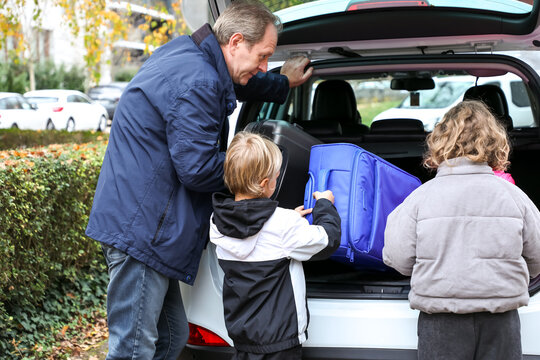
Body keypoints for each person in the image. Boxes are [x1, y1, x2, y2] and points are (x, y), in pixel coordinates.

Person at [85, 1, 313, 358]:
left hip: (146, 222)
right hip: (144, 230)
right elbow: (197, 167)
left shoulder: (192, 57)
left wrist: (281, 82)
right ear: (236, 42)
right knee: (133, 349)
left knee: (172, 337)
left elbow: (232, 82)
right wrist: (260, 174)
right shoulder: (197, 80)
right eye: (264, 56)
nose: (264, 65)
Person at [382, 100, 540, 360]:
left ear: (440, 143)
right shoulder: (515, 196)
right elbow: (537, 256)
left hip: (440, 321)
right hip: (500, 320)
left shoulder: (419, 199)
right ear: (494, 142)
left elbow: (398, 258)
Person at [209, 131, 341, 360]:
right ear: (264, 184)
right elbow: (327, 240)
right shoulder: (283, 224)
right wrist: (324, 205)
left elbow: (258, 228)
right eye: (276, 177)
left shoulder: (217, 221)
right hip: (279, 342)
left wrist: (287, 219)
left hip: (242, 337)